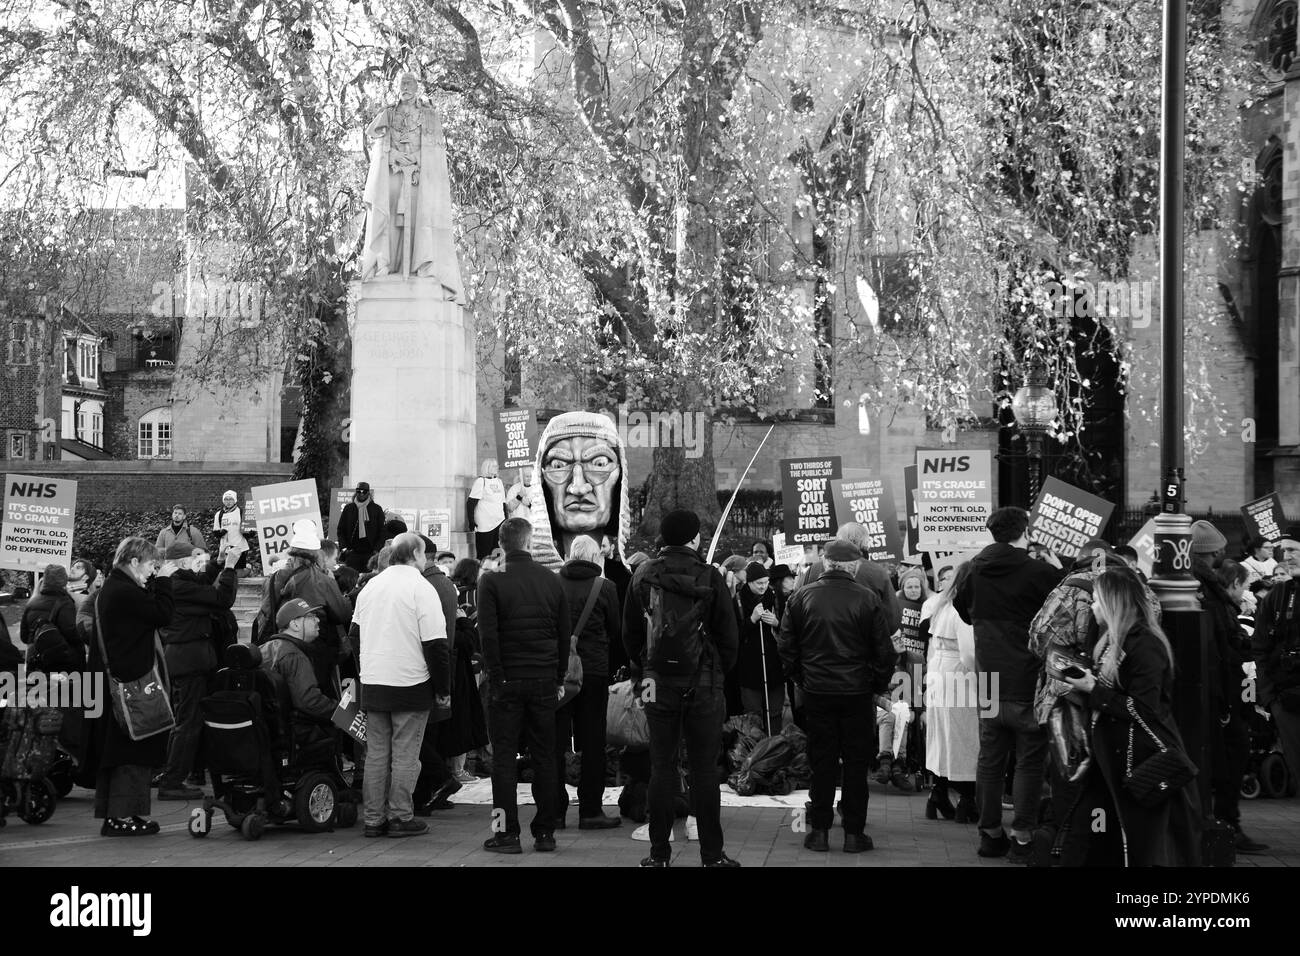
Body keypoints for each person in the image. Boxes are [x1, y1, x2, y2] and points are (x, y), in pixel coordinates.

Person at [1026, 540, 1157, 864]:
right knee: (1108, 788)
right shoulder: (1139, 589)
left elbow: (1038, 641)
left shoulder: (1066, 590)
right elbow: (1152, 627)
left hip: (1066, 706)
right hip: (1116, 709)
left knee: (1069, 783)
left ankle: (1059, 841)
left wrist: (1073, 666)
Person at [624, 509, 740, 868]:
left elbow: (629, 635)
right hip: (703, 683)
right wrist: (716, 671)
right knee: (705, 770)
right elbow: (728, 635)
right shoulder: (710, 576)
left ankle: (659, 854)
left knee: (661, 765)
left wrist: (644, 667)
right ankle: (711, 855)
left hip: (654, 683)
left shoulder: (643, 575)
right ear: (694, 539)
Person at [1062, 569, 1201, 866]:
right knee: (1101, 832)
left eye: (1097, 600)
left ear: (1114, 603)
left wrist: (1092, 688)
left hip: (1141, 759)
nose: (1092, 607)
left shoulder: (1145, 643)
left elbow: (1144, 708)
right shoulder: (1111, 640)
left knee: (1144, 841)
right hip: (1112, 756)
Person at [952, 506, 1065, 862]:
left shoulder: (973, 572)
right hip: (1027, 681)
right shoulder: (1040, 572)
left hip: (989, 679)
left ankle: (990, 835)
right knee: (1029, 761)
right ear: (1024, 531)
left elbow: (963, 611)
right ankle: (1023, 837)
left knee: (990, 759)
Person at [777, 539, 895, 853]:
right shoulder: (867, 598)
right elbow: (884, 652)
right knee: (856, 764)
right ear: (854, 566)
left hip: (818, 691)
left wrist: (802, 678)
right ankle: (853, 833)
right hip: (856, 691)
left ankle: (820, 831)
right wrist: (875, 685)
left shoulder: (802, 596)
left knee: (822, 761)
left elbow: (786, 648)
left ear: (826, 563)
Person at [478, 516, 570, 853]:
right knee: (545, 757)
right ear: (530, 543)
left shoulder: (491, 581)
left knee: (503, 759)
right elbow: (563, 635)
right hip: (544, 678)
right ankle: (545, 832)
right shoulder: (551, 579)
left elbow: (488, 635)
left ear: (502, 544)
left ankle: (506, 833)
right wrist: (559, 676)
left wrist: (496, 674)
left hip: (507, 680)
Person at [353, 532, 450, 838]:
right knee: (406, 754)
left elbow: (354, 636)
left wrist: (366, 668)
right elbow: (436, 645)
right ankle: (400, 815)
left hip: (375, 681)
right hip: (410, 681)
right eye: (423, 554)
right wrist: (443, 688)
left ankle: (373, 818)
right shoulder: (421, 588)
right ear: (415, 555)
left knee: (377, 754)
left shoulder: (370, 587)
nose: (425, 560)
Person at [79, 537, 177, 836]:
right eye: (150, 565)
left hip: (114, 685)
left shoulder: (113, 588)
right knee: (131, 752)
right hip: (129, 685)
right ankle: (123, 816)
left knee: (120, 751)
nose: (152, 571)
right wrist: (164, 582)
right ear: (134, 562)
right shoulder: (124, 591)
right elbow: (163, 614)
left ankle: (118, 815)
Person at [1188, 522, 1268, 854]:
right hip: (1218, 689)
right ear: (1215, 552)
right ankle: (1223, 825)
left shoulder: (1200, 585)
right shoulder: (1206, 588)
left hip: (1214, 687)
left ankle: (1215, 822)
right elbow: (1220, 641)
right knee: (1230, 755)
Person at [360, 70, 464, 294]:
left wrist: (417, 158)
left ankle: (422, 266)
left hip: (419, 177)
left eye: (410, 83)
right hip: (394, 172)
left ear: (417, 87)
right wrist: (393, 156)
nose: (406, 87)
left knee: (421, 218)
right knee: (388, 217)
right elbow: (376, 139)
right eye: (402, 83)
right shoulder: (388, 113)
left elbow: (435, 152)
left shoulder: (428, 116)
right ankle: (385, 264)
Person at [154, 543, 239, 800]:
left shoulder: (179, 582)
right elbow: (221, 599)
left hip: (185, 659)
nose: (200, 561)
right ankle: (172, 780)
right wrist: (230, 568)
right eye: (195, 558)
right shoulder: (180, 587)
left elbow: (201, 582)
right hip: (189, 661)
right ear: (181, 563)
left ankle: (170, 773)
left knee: (184, 719)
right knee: (187, 722)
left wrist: (217, 564)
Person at [555, 535, 622, 829]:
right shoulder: (605, 587)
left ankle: (554, 809)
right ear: (597, 558)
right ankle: (591, 810)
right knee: (593, 741)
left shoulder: (553, 583)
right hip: (593, 671)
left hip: (558, 671)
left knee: (554, 740)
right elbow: (615, 630)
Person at [526, 411, 632, 569]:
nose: (578, 487)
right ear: (541, 482)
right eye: (558, 465)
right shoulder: (537, 586)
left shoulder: (624, 584)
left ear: (620, 476)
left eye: (599, 463)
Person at [254, 520, 352, 687]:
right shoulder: (322, 579)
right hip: (315, 648)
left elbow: (266, 610)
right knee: (312, 692)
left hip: (281, 644)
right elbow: (342, 614)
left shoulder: (276, 576)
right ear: (317, 553)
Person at [920, 562, 979, 823]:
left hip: (938, 673)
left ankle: (939, 793)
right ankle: (967, 799)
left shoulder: (941, 604)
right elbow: (969, 654)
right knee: (965, 738)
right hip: (958, 677)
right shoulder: (962, 608)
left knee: (942, 737)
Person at [412, 534, 463, 815]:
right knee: (429, 734)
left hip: (427, 667)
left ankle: (432, 788)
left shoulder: (427, 585)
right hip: (439, 665)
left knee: (421, 736)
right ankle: (434, 791)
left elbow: (433, 638)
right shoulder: (441, 583)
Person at [1252, 535, 1300, 825]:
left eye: (1293, 550)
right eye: (1284, 551)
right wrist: (1270, 698)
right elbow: (1260, 647)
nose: (1287, 555)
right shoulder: (1279, 596)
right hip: (1288, 701)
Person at [260, 598, 341, 760]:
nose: (318, 620)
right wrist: (339, 711)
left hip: (268, 729)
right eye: (311, 617)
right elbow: (308, 701)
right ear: (295, 625)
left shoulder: (266, 648)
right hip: (294, 731)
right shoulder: (294, 655)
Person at [795, 523, 903, 634]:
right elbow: (892, 620)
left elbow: (796, 606)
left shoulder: (813, 569)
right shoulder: (877, 573)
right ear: (863, 542)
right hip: (862, 644)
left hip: (817, 641)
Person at [736, 562, 784, 734]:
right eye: (759, 583)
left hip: (774, 664)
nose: (763, 586)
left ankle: (776, 745)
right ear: (749, 582)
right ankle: (755, 751)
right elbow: (734, 635)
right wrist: (752, 620)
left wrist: (777, 623)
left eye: (765, 582)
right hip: (749, 666)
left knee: (775, 711)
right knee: (753, 714)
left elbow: (788, 629)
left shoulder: (775, 596)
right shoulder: (738, 600)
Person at [20, 564, 83, 673]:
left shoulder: (32, 603)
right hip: (61, 665)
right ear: (64, 580)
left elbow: (24, 637)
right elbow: (72, 634)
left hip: (37, 662)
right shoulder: (65, 602)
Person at [338, 482, 385, 573]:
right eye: (359, 491)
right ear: (356, 492)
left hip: (370, 554)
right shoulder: (349, 508)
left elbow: (382, 532)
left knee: (368, 582)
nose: (361, 493)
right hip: (352, 553)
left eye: (364, 491)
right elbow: (341, 530)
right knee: (350, 582)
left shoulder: (377, 509)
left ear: (368, 493)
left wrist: (376, 550)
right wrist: (344, 548)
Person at [468, 458, 508, 560]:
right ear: (487, 468)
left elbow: (503, 503)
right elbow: (471, 503)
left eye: (496, 466)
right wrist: (471, 521)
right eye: (493, 466)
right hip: (485, 524)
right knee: (484, 553)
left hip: (499, 521)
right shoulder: (481, 481)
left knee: (497, 553)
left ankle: (496, 573)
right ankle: (483, 574)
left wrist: (506, 519)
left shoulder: (499, 482)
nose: (496, 468)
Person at [212, 491, 250, 570]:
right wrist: (220, 533)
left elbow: (249, 530)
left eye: (230, 499)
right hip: (225, 549)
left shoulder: (241, 512)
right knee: (226, 572)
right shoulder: (219, 514)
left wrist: (248, 533)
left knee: (238, 572)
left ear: (235, 500)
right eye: (226, 499)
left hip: (240, 547)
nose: (228, 502)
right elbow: (215, 530)